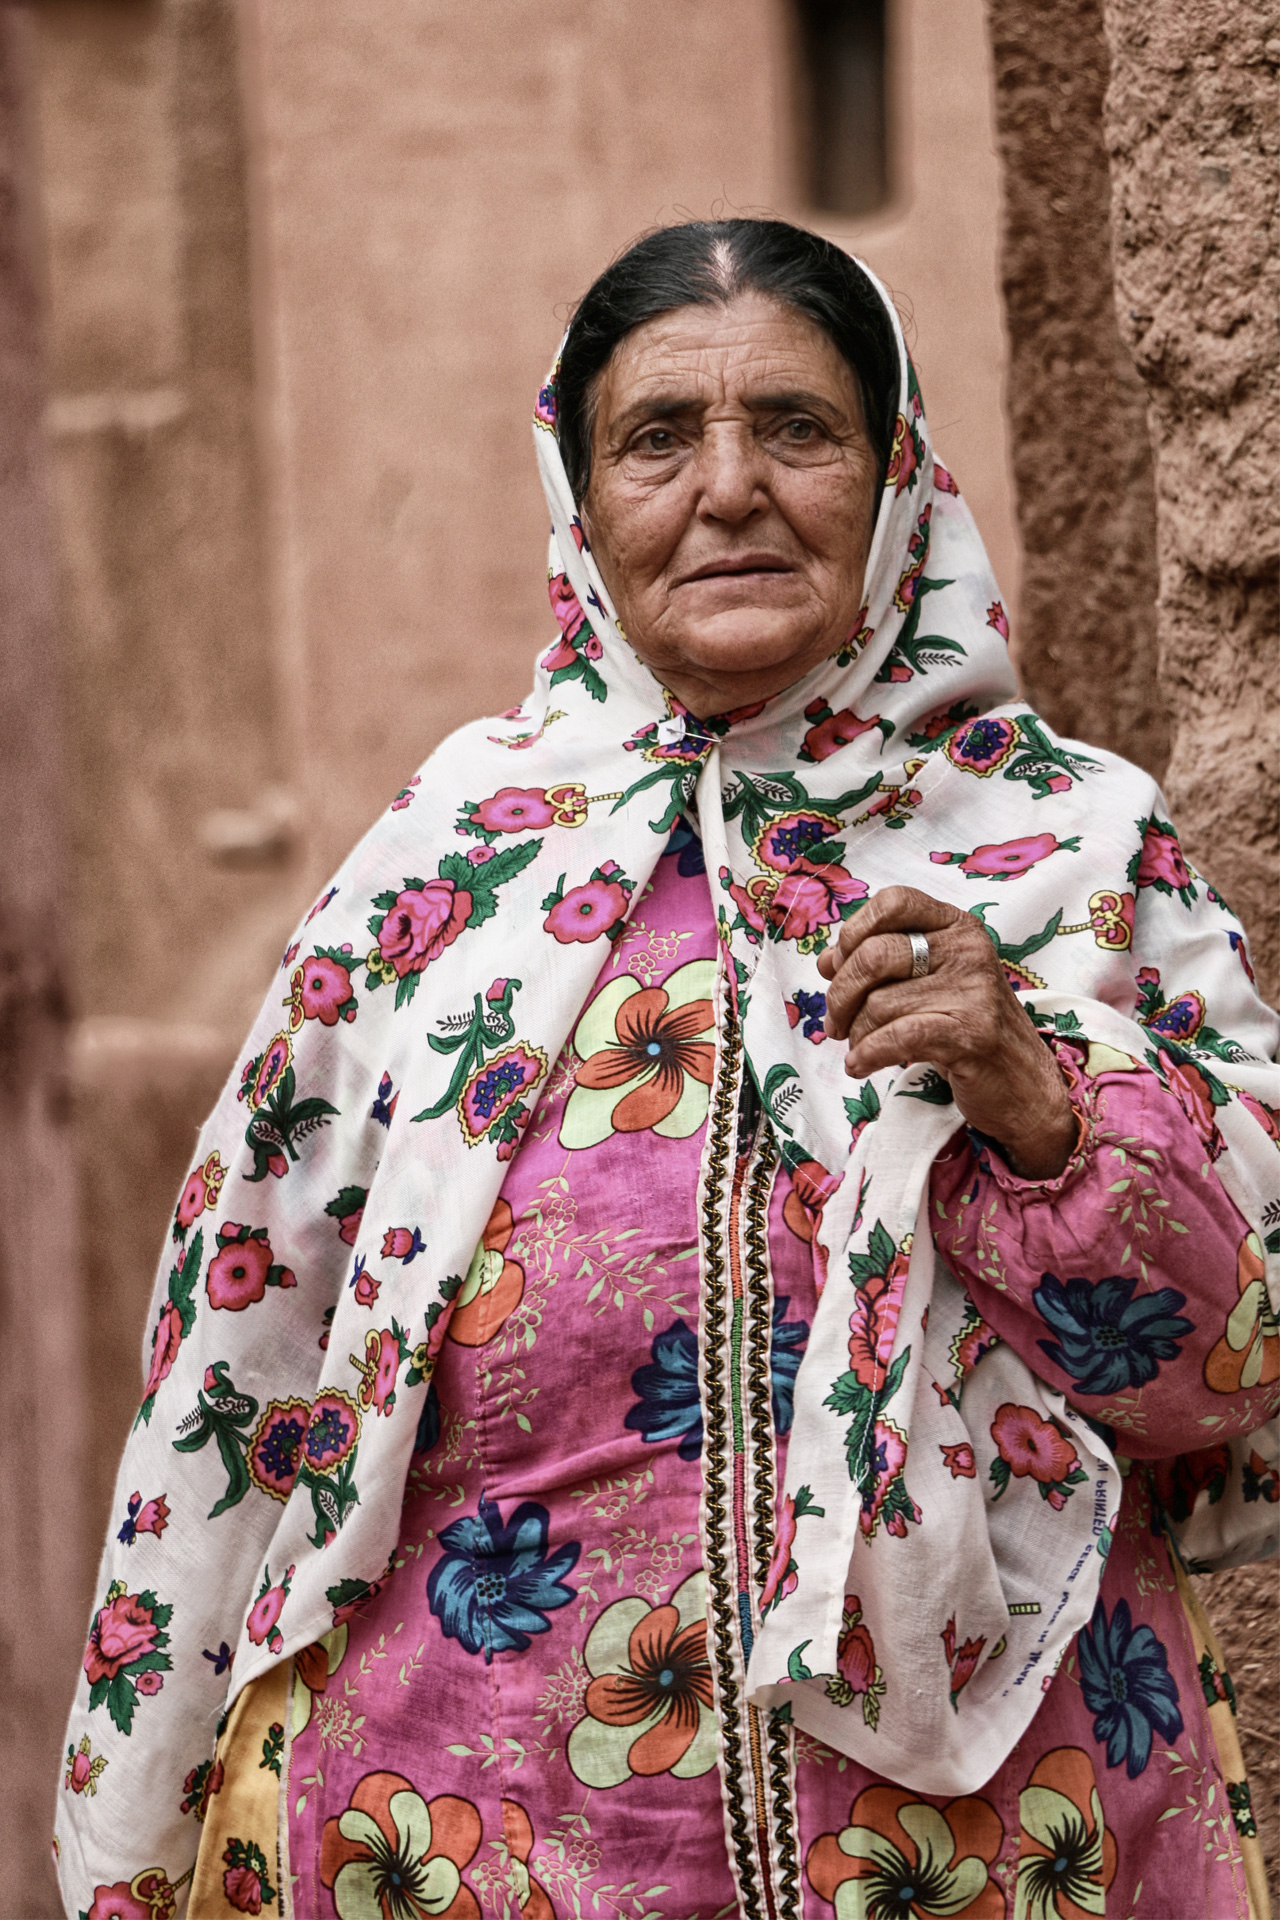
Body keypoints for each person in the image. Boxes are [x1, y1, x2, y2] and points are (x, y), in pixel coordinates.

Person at [56, 219, 1279, 1920]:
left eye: (796, 427)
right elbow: (229, 1396)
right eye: (658, 438)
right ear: (578, 500)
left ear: (896, 468)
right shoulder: (437, 878)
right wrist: (128, 1855)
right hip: (472, 1846)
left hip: (991, 1850)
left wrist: (1042, 1100)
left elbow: (1232, 1381)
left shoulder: (1073, 854)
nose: (729, 488)